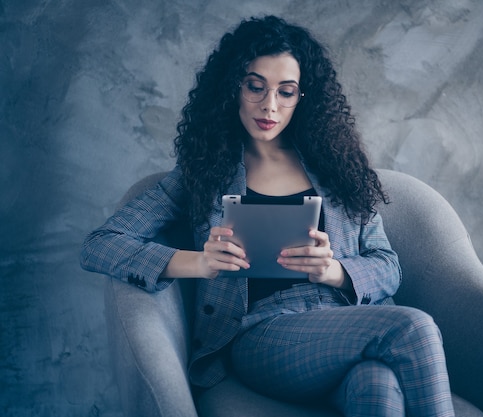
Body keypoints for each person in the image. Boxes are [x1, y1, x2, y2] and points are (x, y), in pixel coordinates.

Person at [81, 15, 455, 417]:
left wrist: (334, 271)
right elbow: (100, 246)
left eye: (286, 91)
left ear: (302, 97)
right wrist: (200, 263)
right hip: (264, 335)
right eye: (255, 86)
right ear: (232, 88)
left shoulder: (337, 170)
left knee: (378, 387)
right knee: (413, 328)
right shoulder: (203, 174)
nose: (270, 105)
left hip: (346, 326)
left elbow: (388, 266)